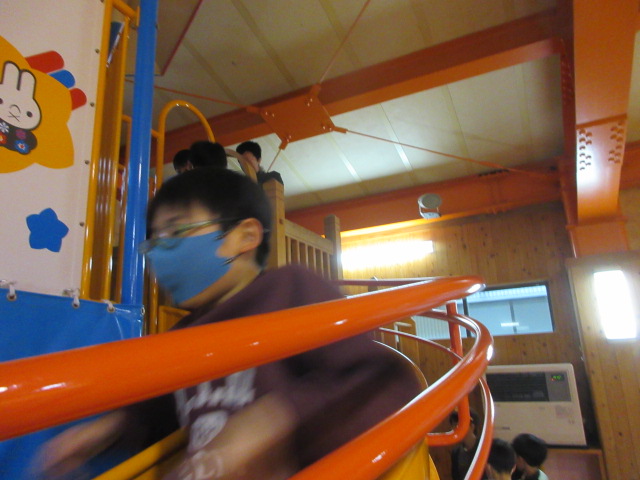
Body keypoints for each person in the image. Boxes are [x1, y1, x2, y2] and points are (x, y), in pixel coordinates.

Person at [36, 168, 421, 480]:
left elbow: (380, 381)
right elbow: (160, 411)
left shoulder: (289, 290)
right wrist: (108, 430)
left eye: (176, 232)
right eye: (154, 241)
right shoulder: (183, 334)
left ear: (246, 236)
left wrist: (280, 419)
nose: (160, 252)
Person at [449, 409, 483, 480]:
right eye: (453, 426)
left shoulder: (484, 447)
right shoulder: (456, 453)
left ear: (472, 426)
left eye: (458, 425)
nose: (455, 430)